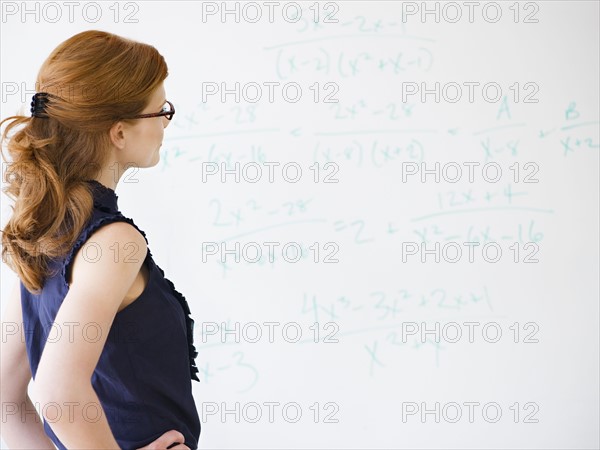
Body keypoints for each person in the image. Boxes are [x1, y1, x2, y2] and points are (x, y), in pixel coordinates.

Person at [0, 30, 201, 449]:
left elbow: (4, 400)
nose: (165, 121)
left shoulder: (47, 234)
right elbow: (57, 392)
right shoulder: (115, 243)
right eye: (159, 110)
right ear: (119, 132)